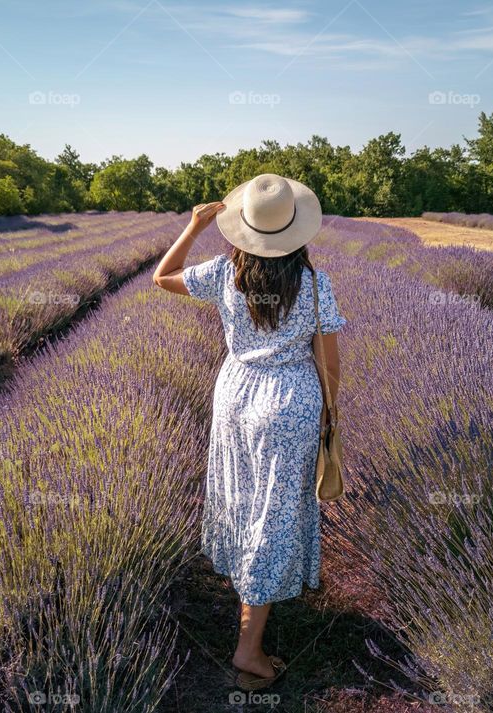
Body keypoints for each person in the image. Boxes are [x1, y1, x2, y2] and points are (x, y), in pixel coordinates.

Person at [152, 173, 347, 691]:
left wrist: (193, 227)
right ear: (296, 230)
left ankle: (248, 605)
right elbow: (327, 360)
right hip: (290, 403)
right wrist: (331, 413)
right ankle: (249, 650)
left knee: (244, 502)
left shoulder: (223, 273)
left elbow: (162, 276)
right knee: (273, 513)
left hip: (235, 396)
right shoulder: (314, 284)